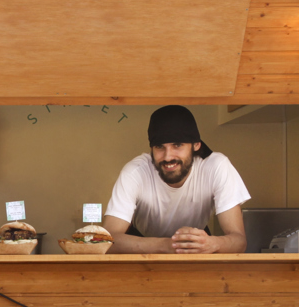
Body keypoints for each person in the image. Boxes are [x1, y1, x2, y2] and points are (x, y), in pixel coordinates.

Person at [103, 105, 249, 254]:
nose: (168, 157)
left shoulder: (217, 166)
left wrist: (213, 243)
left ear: (196, 145)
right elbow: (108, 240)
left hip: (198, 244)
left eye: (177, 145)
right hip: (140, 244)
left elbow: (239, 241)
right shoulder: (135, 172)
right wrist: (169, 245)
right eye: (160, 146)